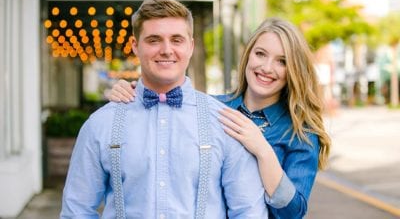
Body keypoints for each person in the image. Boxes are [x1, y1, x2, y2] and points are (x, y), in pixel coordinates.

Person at [61, 0, 269, 218]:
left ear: (191, 46)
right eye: (154, 40)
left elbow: (248, 211)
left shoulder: (225, 122)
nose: (166, 50)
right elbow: (77, 210)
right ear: (135, 46)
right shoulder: (100, 124)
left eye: (177, 40)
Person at [109, 17, 331, 218]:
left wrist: (263, 151)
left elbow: (293, 213)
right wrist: (131, 92)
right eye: (260, 54)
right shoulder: (210, 107)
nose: (266, 67)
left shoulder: (301, 133)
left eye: (282, 61)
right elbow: (161, 124)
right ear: (248, 55)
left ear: (293, 70)